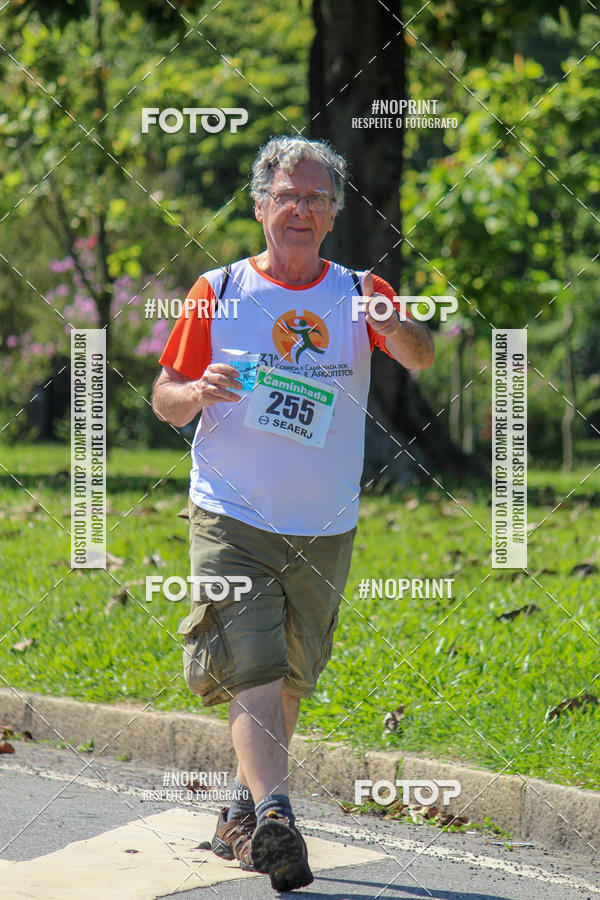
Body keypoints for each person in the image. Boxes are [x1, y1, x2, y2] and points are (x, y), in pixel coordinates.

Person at [152, 135, 434, 892]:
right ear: (260, 208)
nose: (300, 209)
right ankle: (277, 816)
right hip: (230, 515)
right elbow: (164, 396)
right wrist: (198, 393)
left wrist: (395, 322)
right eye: (287, 196)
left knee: (289, 679)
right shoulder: (218, 290)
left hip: (324, 523)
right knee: (251, 664)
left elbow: (420, 355)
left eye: (316, 197)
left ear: (335, 212)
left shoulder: (358, 289)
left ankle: (240, 809)